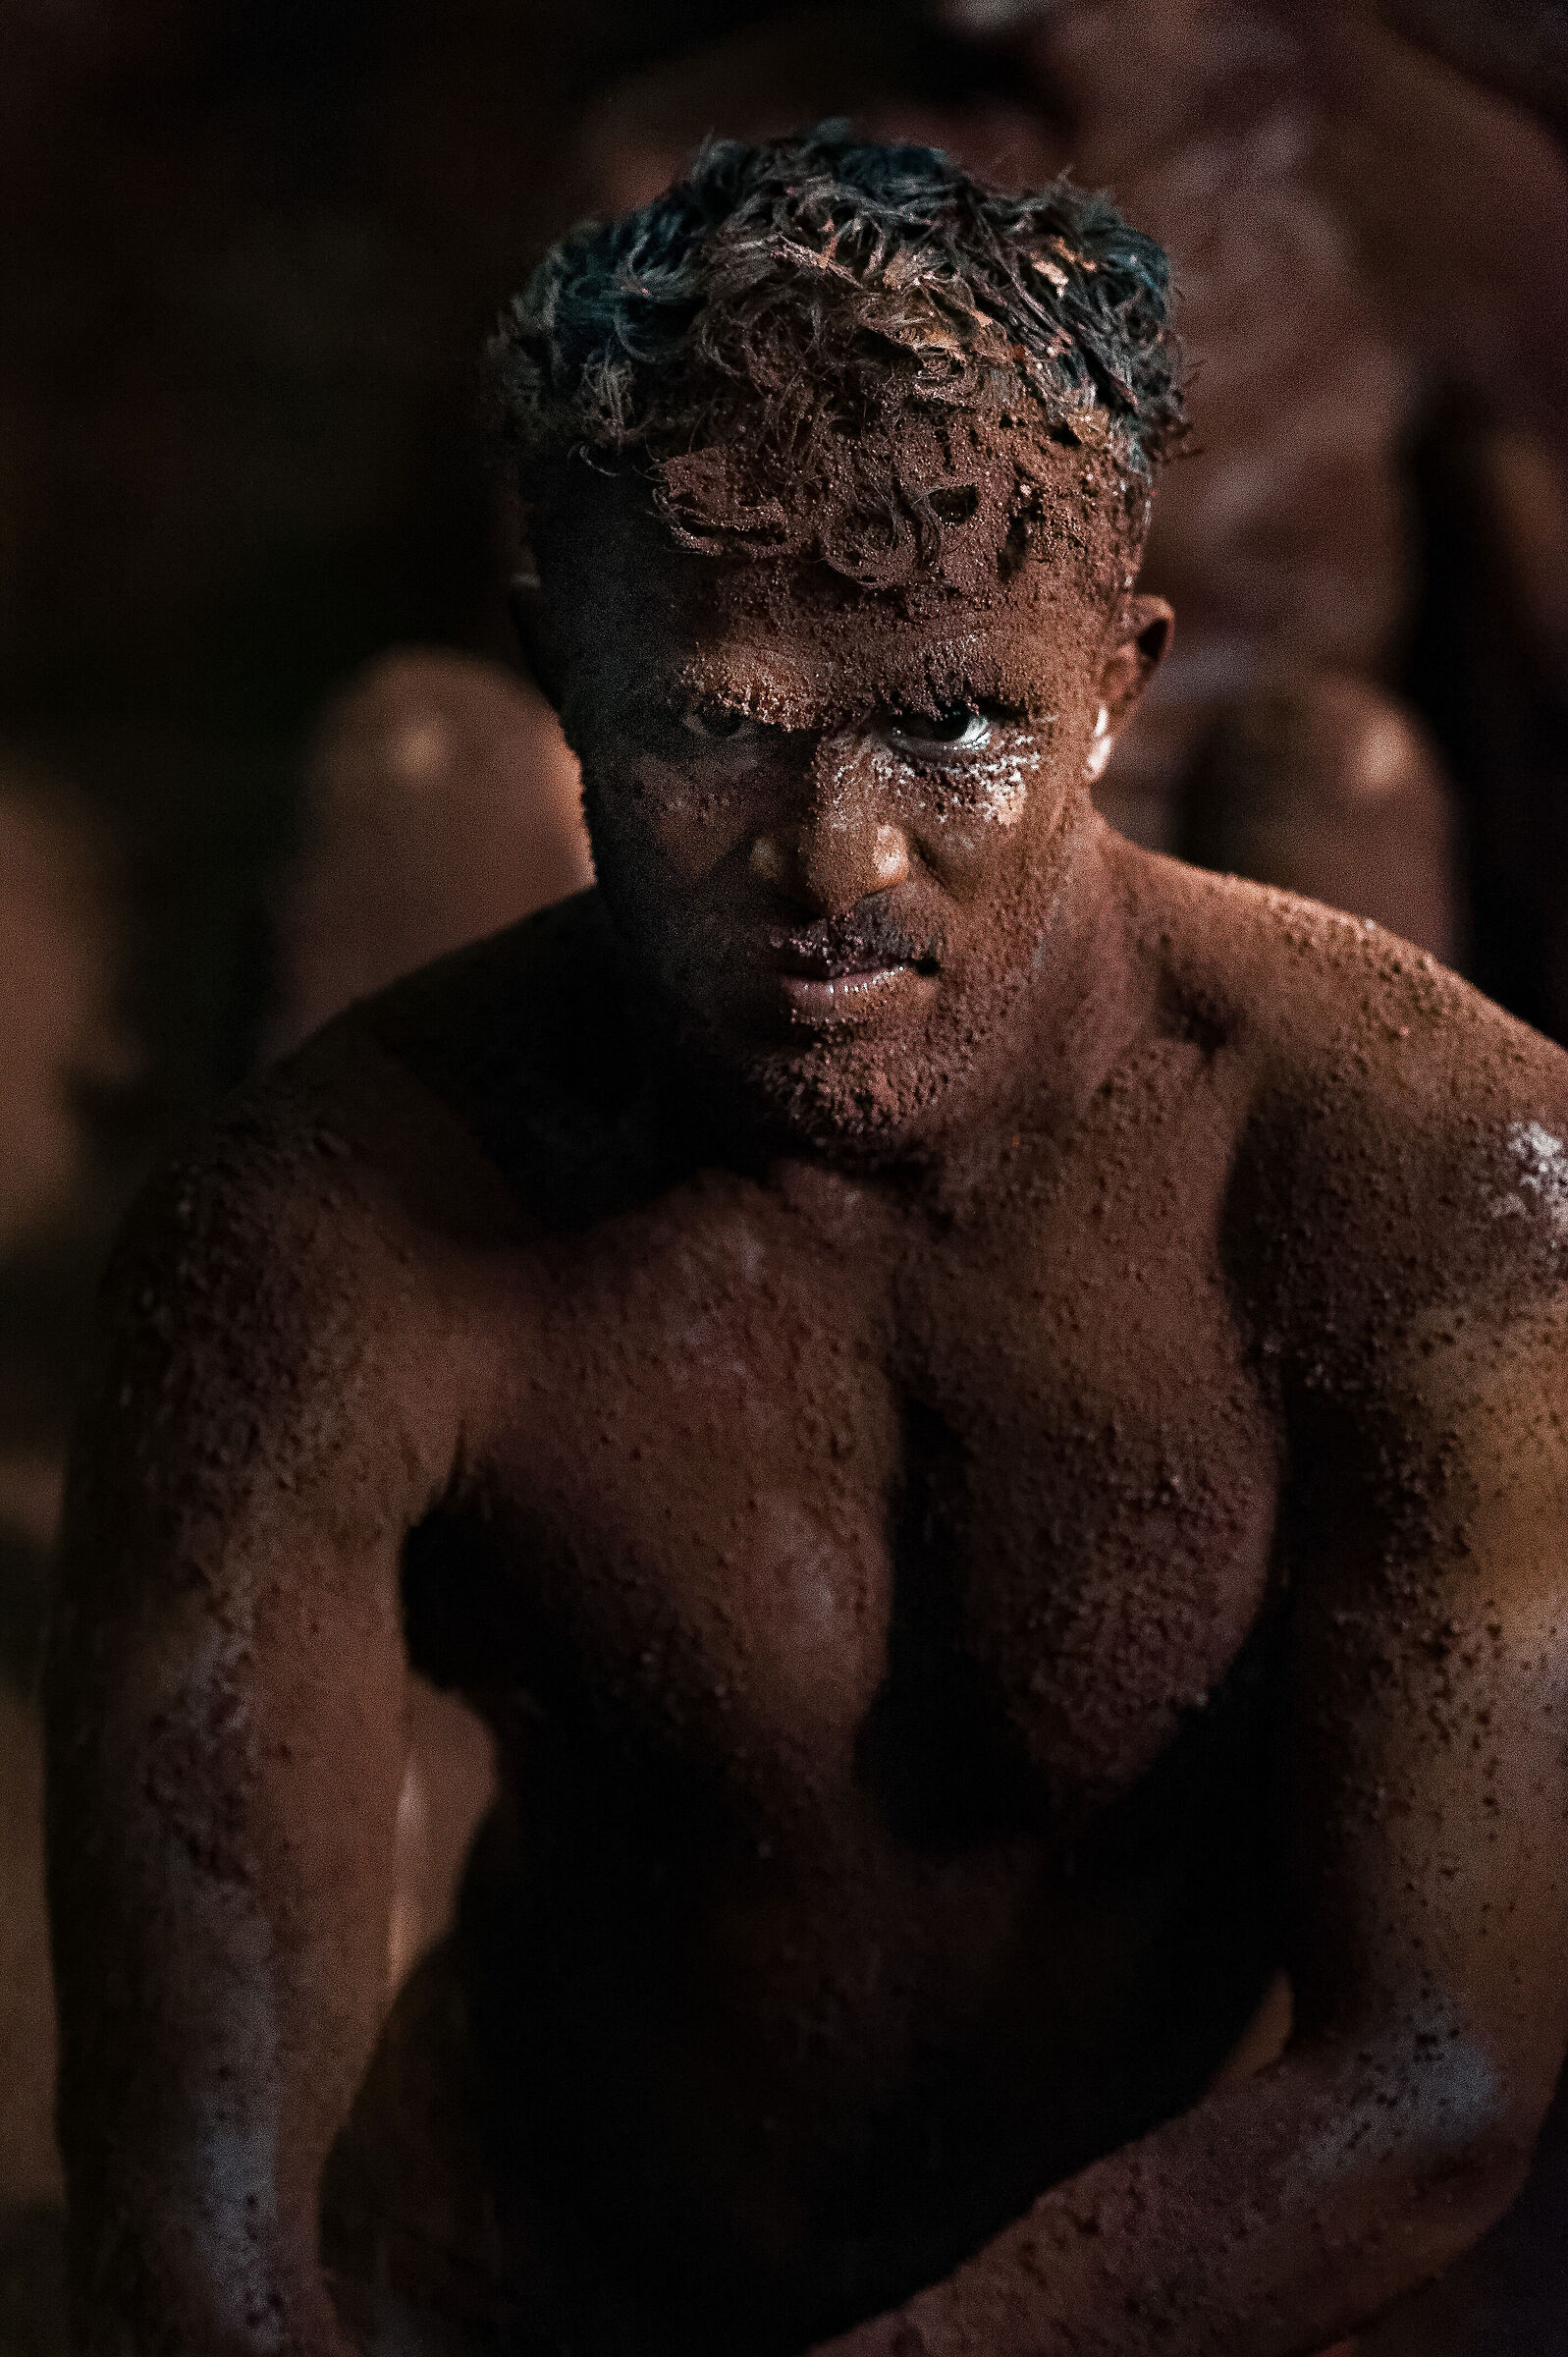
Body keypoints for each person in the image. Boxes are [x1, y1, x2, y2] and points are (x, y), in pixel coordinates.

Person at [47, 132, 1568, 2357]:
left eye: (954, 723)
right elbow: (196, 2244)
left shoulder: (1436, 1172)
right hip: (503, 2288)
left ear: (1120, 680)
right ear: (557, 671)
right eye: (707, 731)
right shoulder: (307, 1251)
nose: (835, 862)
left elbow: (1429, 2085)